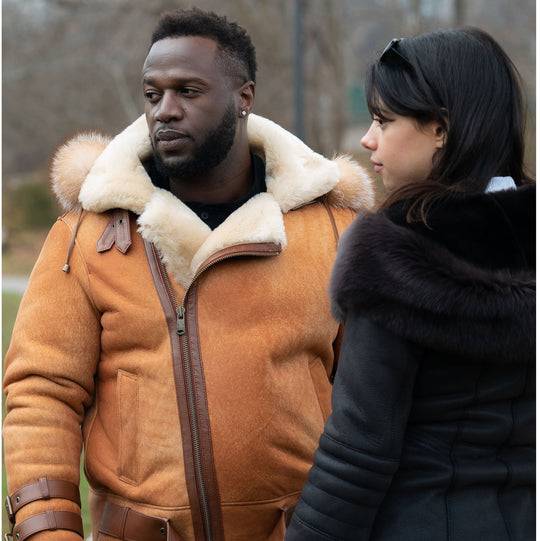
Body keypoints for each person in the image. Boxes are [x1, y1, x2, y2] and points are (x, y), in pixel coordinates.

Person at [2, 8, 375, 541]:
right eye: (152, 95)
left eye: (189, 91)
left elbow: (374, 404)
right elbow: (43, 392)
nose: (165, 111)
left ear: (244, 96)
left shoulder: (333, 233)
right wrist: (47, 531)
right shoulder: (86, 235)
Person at [285, 27, 535, 541]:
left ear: (440, 128)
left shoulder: (395, 255)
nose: (367, 139)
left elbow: (358, 451)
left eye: (384, 120)